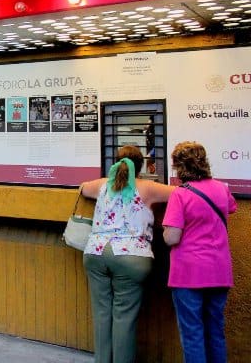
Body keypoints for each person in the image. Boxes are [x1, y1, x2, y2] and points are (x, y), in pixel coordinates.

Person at [80, 145, 174, 363]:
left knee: (101, 314)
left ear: (116, 163)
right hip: (131, 256)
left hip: (96, 252)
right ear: (140, 165)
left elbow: (82, 188)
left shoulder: (102, 185)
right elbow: (183, 194)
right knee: (124, 317)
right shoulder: (148, 187)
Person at [162, 141, 237, 363]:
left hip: (189, 273)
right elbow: (231, 207)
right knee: (215, 330)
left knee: (193, 333)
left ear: (178, 166)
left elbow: (172, 237)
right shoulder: (221, 188)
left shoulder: (180, 194)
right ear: (204, 162)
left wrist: (165, 230)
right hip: (219, 270)